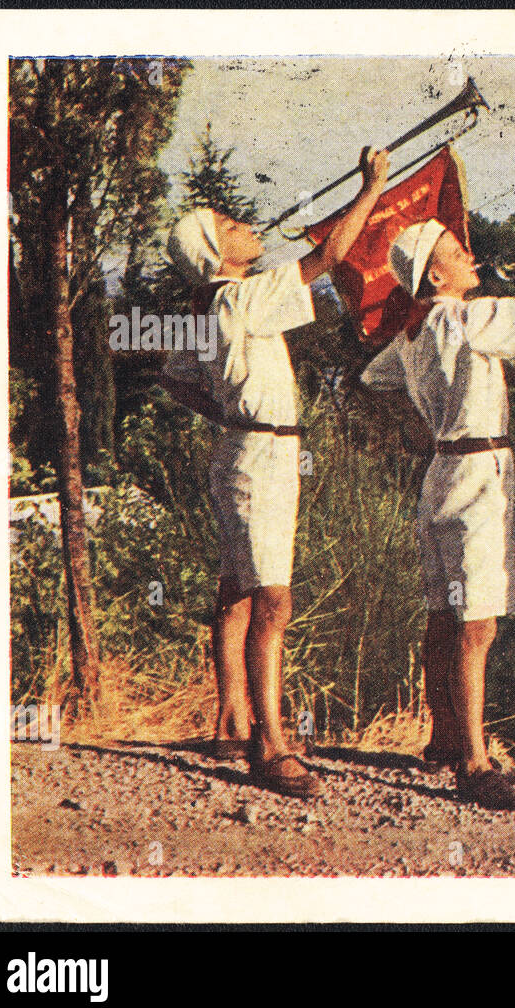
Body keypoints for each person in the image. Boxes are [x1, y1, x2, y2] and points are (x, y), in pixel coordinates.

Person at [360, 206, 515, 809]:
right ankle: (475, 762)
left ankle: (444, 736)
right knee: (477, 626)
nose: (469, 253)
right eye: (454, 250)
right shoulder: (463, 317)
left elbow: (374, 379)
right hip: (477, 474)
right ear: (435, 277)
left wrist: (432, 407)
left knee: (441, 616)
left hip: (439, 473)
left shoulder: (414, 329)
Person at [162, 146, 392, 798]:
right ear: (215, 253)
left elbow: (174, 380)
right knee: (273, 600)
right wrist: (371, 187)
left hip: (241, 450)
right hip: (263, 457)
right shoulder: (241, 298)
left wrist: (229, 411)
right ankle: (271, 744)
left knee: (236, 590)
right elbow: (330, 259)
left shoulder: (210, 307)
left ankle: (233, 715)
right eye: (230, 226)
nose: (245, 225)